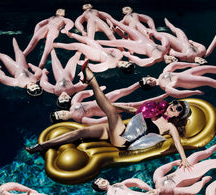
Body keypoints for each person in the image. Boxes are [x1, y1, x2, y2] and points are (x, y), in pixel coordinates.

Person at [26, 63, 193, 168]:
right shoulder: (154, 113)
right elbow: (132, 110)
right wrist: (111, 105)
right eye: (175, 103)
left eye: (178, 108)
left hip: (125, 141)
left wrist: (184, 159)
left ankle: (92, 79)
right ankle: (42, 146)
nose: (174, 106)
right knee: (80, 132)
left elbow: (177, 142)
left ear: (178, 116)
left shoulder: (169, 126)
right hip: (120, 132)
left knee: (113, 115)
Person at [50, 82, 168, 125]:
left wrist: (95, 91)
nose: (62, 114)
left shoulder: (73, 105)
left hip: (100, 99)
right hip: (104, 108)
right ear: (63, 120)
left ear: (60, 110)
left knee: (121, 91)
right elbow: (95, 122)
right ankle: (162, 96)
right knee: (132, 104)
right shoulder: (78, 118)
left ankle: (140, 83)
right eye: (60, 117)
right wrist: (111, 117)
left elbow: (79, 95)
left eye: (59, 113)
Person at [144, 61, 216, 97]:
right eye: (148, 83)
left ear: (148, 76)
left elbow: (174, 65)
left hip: (187, 73)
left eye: (147, 79)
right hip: (190, 81)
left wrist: (190, 64)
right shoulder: (165, 86)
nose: (149, 81)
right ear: (151, 86)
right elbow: (177, 94)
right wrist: (193, 92)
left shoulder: (163, 73)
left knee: (211, 68)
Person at [97, 18, 169, 67]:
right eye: (174, 59)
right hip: (144, 40)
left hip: (140, 47)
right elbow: (163, 38)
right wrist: (153, 33)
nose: (171, 59)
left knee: (118, 42)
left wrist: (129, 55)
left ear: (166, 63)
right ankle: (110, 18)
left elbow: (140, 62)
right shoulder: (165, 48)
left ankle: (97, 41)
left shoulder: (156, 59)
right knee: (125, 27)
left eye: (170, 61)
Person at [54, 32, 126, 73]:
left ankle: (56, 45)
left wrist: (83, 62)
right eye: (127, 63)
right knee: (87, 40)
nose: (124, 63)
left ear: (121, 68)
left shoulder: (109, 65)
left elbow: (94, 67)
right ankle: (70, 34)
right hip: (100, 49)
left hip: (95, 55)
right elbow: (115, 50)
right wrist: (104, 49)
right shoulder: (119, 56)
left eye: (125, 65)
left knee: (78, 45)